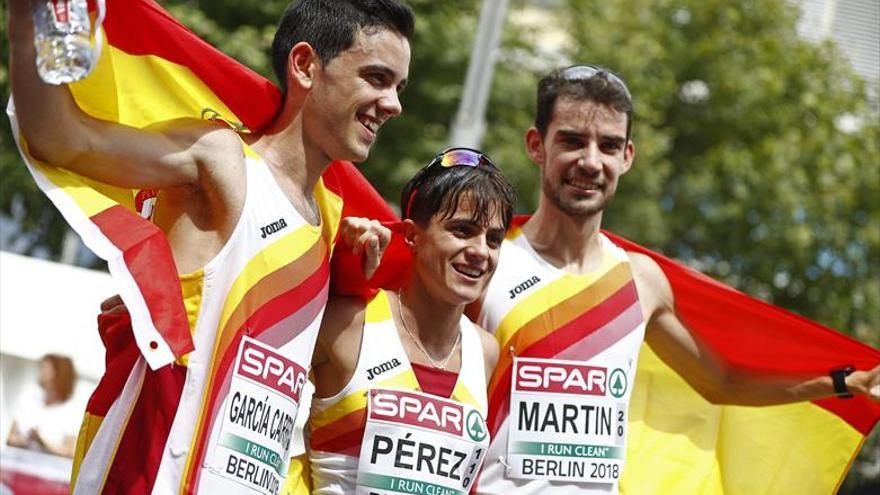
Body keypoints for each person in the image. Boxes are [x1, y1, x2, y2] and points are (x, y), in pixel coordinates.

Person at [7, 0, 413, 492]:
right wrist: (27, 26)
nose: (393, 104)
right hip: (157, 469)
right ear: (305, 65)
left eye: (398, 87)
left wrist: (352, 267)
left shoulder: (332, 215)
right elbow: (64, 140)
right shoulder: (225, 162)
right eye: (376, 78)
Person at [470, 65, 880, 494]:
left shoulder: (641, 282)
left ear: (627, 157)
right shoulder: (484, 261)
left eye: (608, 146)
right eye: (572, 141)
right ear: (537, 145)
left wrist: (843, 382)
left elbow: (723, 383)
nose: (591, 162)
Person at [306, 148, 516, 494]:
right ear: (411, 236)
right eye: (462, 231)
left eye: (493, 239)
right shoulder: (347, 324)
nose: (481, 251)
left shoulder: (486, 350)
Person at [6, 354, 80, 458]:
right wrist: (25, 441)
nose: (41, 372)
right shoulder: (29, 399)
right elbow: (10, 437)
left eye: (45, 368)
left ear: (58, 374)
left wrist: (42, 442)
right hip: (19, 466)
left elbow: (70, 452)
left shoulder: (70, 411)